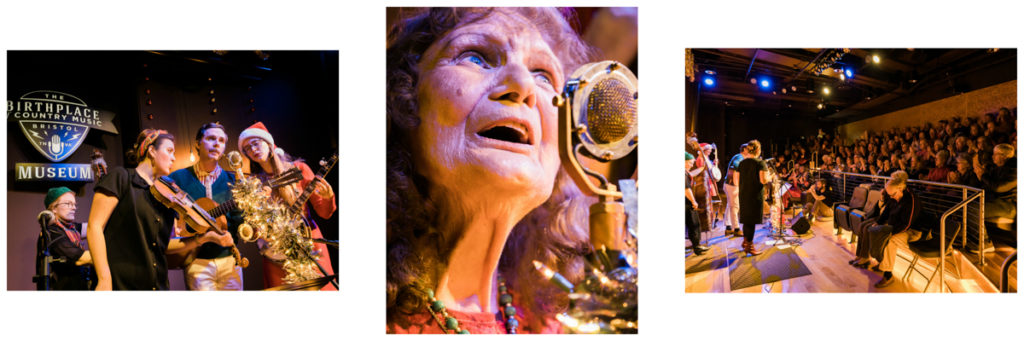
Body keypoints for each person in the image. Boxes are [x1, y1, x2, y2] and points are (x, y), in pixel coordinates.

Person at [386, 7, 599, 334]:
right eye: (474, 57)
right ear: (401, 99)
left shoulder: (552, 322)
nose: (523, 83)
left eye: (544, 75)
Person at [87, 129, 232, 290]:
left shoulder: (167, 196)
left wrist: (204, 238)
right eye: (169, 151)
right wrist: (104, 278)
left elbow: (164, 246)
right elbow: (94, 226)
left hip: (157, 283)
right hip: (121, 282)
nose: (174, 157)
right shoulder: (121, 177)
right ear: (152, 151)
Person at [237, 121, 337, 290]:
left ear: (268, 143)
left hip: (310, 245)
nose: (253, 149)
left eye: (256, 143)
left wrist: (328, 197)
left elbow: (324, 213)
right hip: (275, 254)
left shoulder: (298, 169)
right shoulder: (254, 183)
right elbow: (255, 223)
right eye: (247, 148)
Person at [167, 122, 244, 290]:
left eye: (221, 141)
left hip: (230, 261)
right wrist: (176, 228)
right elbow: (164, 214)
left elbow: (240, 222)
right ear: (197, 143)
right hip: (195, 262)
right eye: (211, 138)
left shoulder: (234, 181)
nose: (217, 143)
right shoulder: (177, 178)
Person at [852, 171, 922, 288]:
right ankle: (880, 262)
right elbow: (886, 211)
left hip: (912, 230)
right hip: (895, 226)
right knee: (874, 230)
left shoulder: (911, 199)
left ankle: (888, 275)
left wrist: (889, 232)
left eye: (893, 195)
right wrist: (878, 223)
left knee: (890, 240)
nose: (891, 197)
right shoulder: (893, 195)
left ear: (900, 188)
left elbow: (907, 224)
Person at [36, 187, 95, 290]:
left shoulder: (71, 228)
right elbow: (82, 258)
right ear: (53, 208)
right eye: (68, 204)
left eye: (74, 204)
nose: (73, 208)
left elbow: (96, 227)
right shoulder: (53, 232)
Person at [736, 140, 773, 257]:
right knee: (751, 221)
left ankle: (746, 242)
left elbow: (736, 180)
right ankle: (749, 246)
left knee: (746, 219)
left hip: (743, 194)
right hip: (755, 195)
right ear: (758, 150)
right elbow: (763, 180)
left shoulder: (742, 163)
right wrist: (770, 176)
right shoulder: (760, 163)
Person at [722, 144, 749, 237]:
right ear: (744, 149)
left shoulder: (737, 156)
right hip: (732, 185)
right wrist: (737, 186)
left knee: (730, 205)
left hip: (728, 184)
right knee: (735, 207)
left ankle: (728, 227)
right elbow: (734, 170)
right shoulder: (740, 158)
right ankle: (736, 229)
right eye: (749, 149)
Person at [685, 152, 709, 256]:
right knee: (694, 224)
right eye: (690, 163)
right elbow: (686, 189)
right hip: (686, 203)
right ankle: (697, 246)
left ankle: (696, 245)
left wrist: (702, 168)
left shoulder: (685, 172)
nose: (691, 165)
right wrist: (693, 201)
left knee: (691, 224)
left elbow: (692, 174)